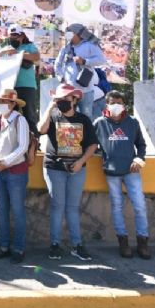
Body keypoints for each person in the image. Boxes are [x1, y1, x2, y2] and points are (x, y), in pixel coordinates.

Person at [38, 84, 99, 261]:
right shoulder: (53, 116)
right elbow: (41, 129)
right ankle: (55, 244)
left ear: (75, 100)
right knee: (57, 207)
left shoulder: (84, 119)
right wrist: (50, 107)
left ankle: (77, 244)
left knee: (72, 208)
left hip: (76, 169)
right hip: (54, 168)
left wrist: (81, 162)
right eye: (59, 99)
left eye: (65, 99)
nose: (62, 102)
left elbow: (92, 145)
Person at [93, 91, 151, 259]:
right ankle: (123, 242)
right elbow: (91, 143)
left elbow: (141, 144)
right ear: (107, 104)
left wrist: (139, 159)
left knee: (139, 205)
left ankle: (143, 242)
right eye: (112, 102)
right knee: (116, 206)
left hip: (131, 170)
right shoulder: (99, 123)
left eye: (119, 102)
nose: (116, 105)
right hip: (111, 171)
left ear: (124, 104)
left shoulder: (132, 122)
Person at [0, 89, 30, 263]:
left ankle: (18, 248)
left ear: (13, 104)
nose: (1, 104)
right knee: (1, 210)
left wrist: (5, 162)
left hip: (15, 171)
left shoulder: (20, 120)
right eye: (0, 101)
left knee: (18, 211)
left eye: (5, 101)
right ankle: (3, 246)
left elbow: (23, 147)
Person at [54, 23, 107, 119]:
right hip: (69, 91)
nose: (67, 35)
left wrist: (85, 61)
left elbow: (102, 60)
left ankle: (87, 134)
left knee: (86, 117)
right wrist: (61, 78)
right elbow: (57, 65)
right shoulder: (66, 48)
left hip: (85, 90)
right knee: (68, 117)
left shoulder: (90, 46)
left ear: (78, 34)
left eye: (69, 33)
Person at [0, 24, 41, 129]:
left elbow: (37, 56)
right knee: (10, 115)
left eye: (16, 35)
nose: (13, 38)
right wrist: (4, 51)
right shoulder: (6, 48)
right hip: (10, 86)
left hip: (27, 86)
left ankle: (34, 142)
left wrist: (19, 53)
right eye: (11, 36)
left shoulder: (29, 46)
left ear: (22, 36)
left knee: (30, 115)